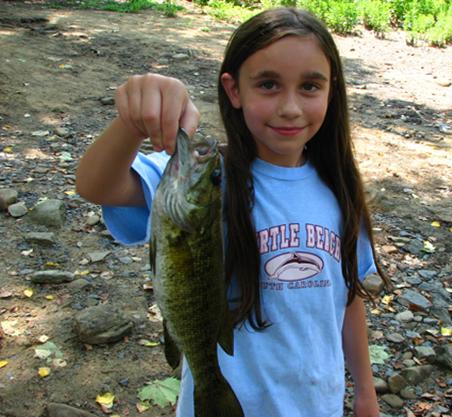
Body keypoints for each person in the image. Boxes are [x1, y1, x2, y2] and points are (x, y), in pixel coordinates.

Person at [76, 7, 386, 417]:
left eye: (310, 86)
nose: (290, 107)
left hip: (318, 404)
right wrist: (133, 123)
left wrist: (365, 392)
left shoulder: (341, 191)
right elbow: (95, 185)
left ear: (332, 91)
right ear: (234, 90)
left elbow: (348, 298)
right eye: (269, 84)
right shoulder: (208, 179)